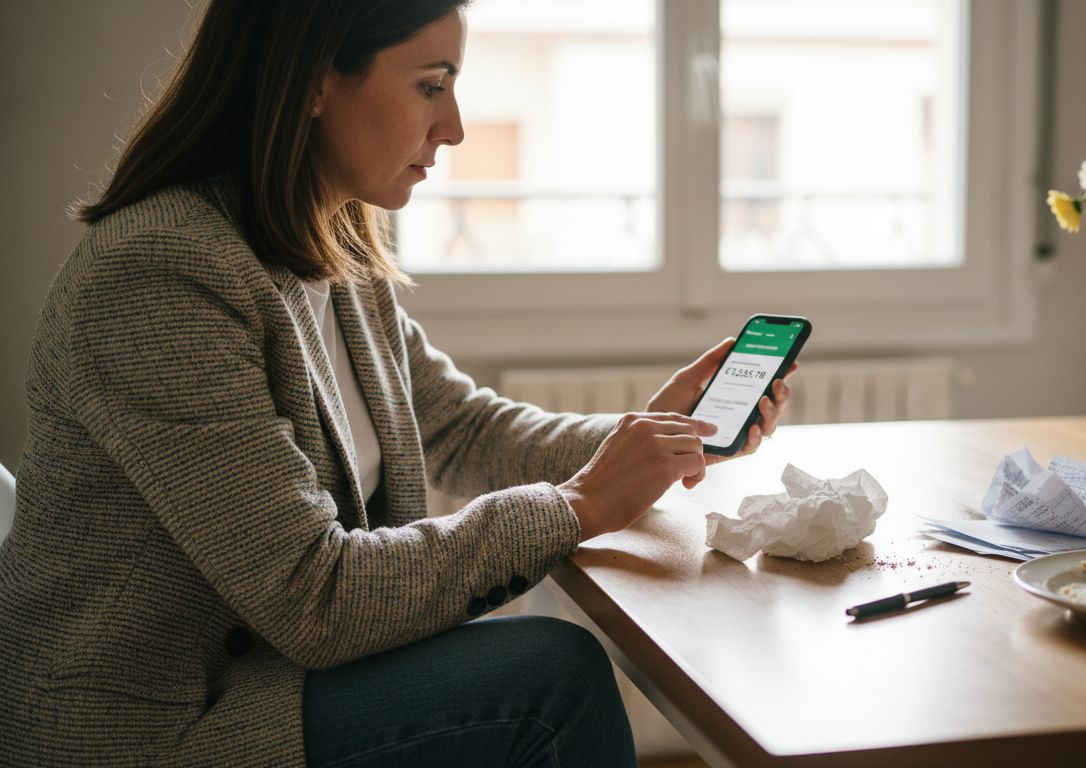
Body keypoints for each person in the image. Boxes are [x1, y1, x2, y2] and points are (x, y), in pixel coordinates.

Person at [0, 1, 794, 766]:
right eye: (431, 84)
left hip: (274, 679)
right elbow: (314, 595)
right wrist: (580, 506)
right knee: (549, 680)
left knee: (546, 669)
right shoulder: (161, 275)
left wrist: (651, 440)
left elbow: (463, 429)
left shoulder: (329, 239)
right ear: (315, 78)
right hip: (157, 729)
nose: (453, 128)